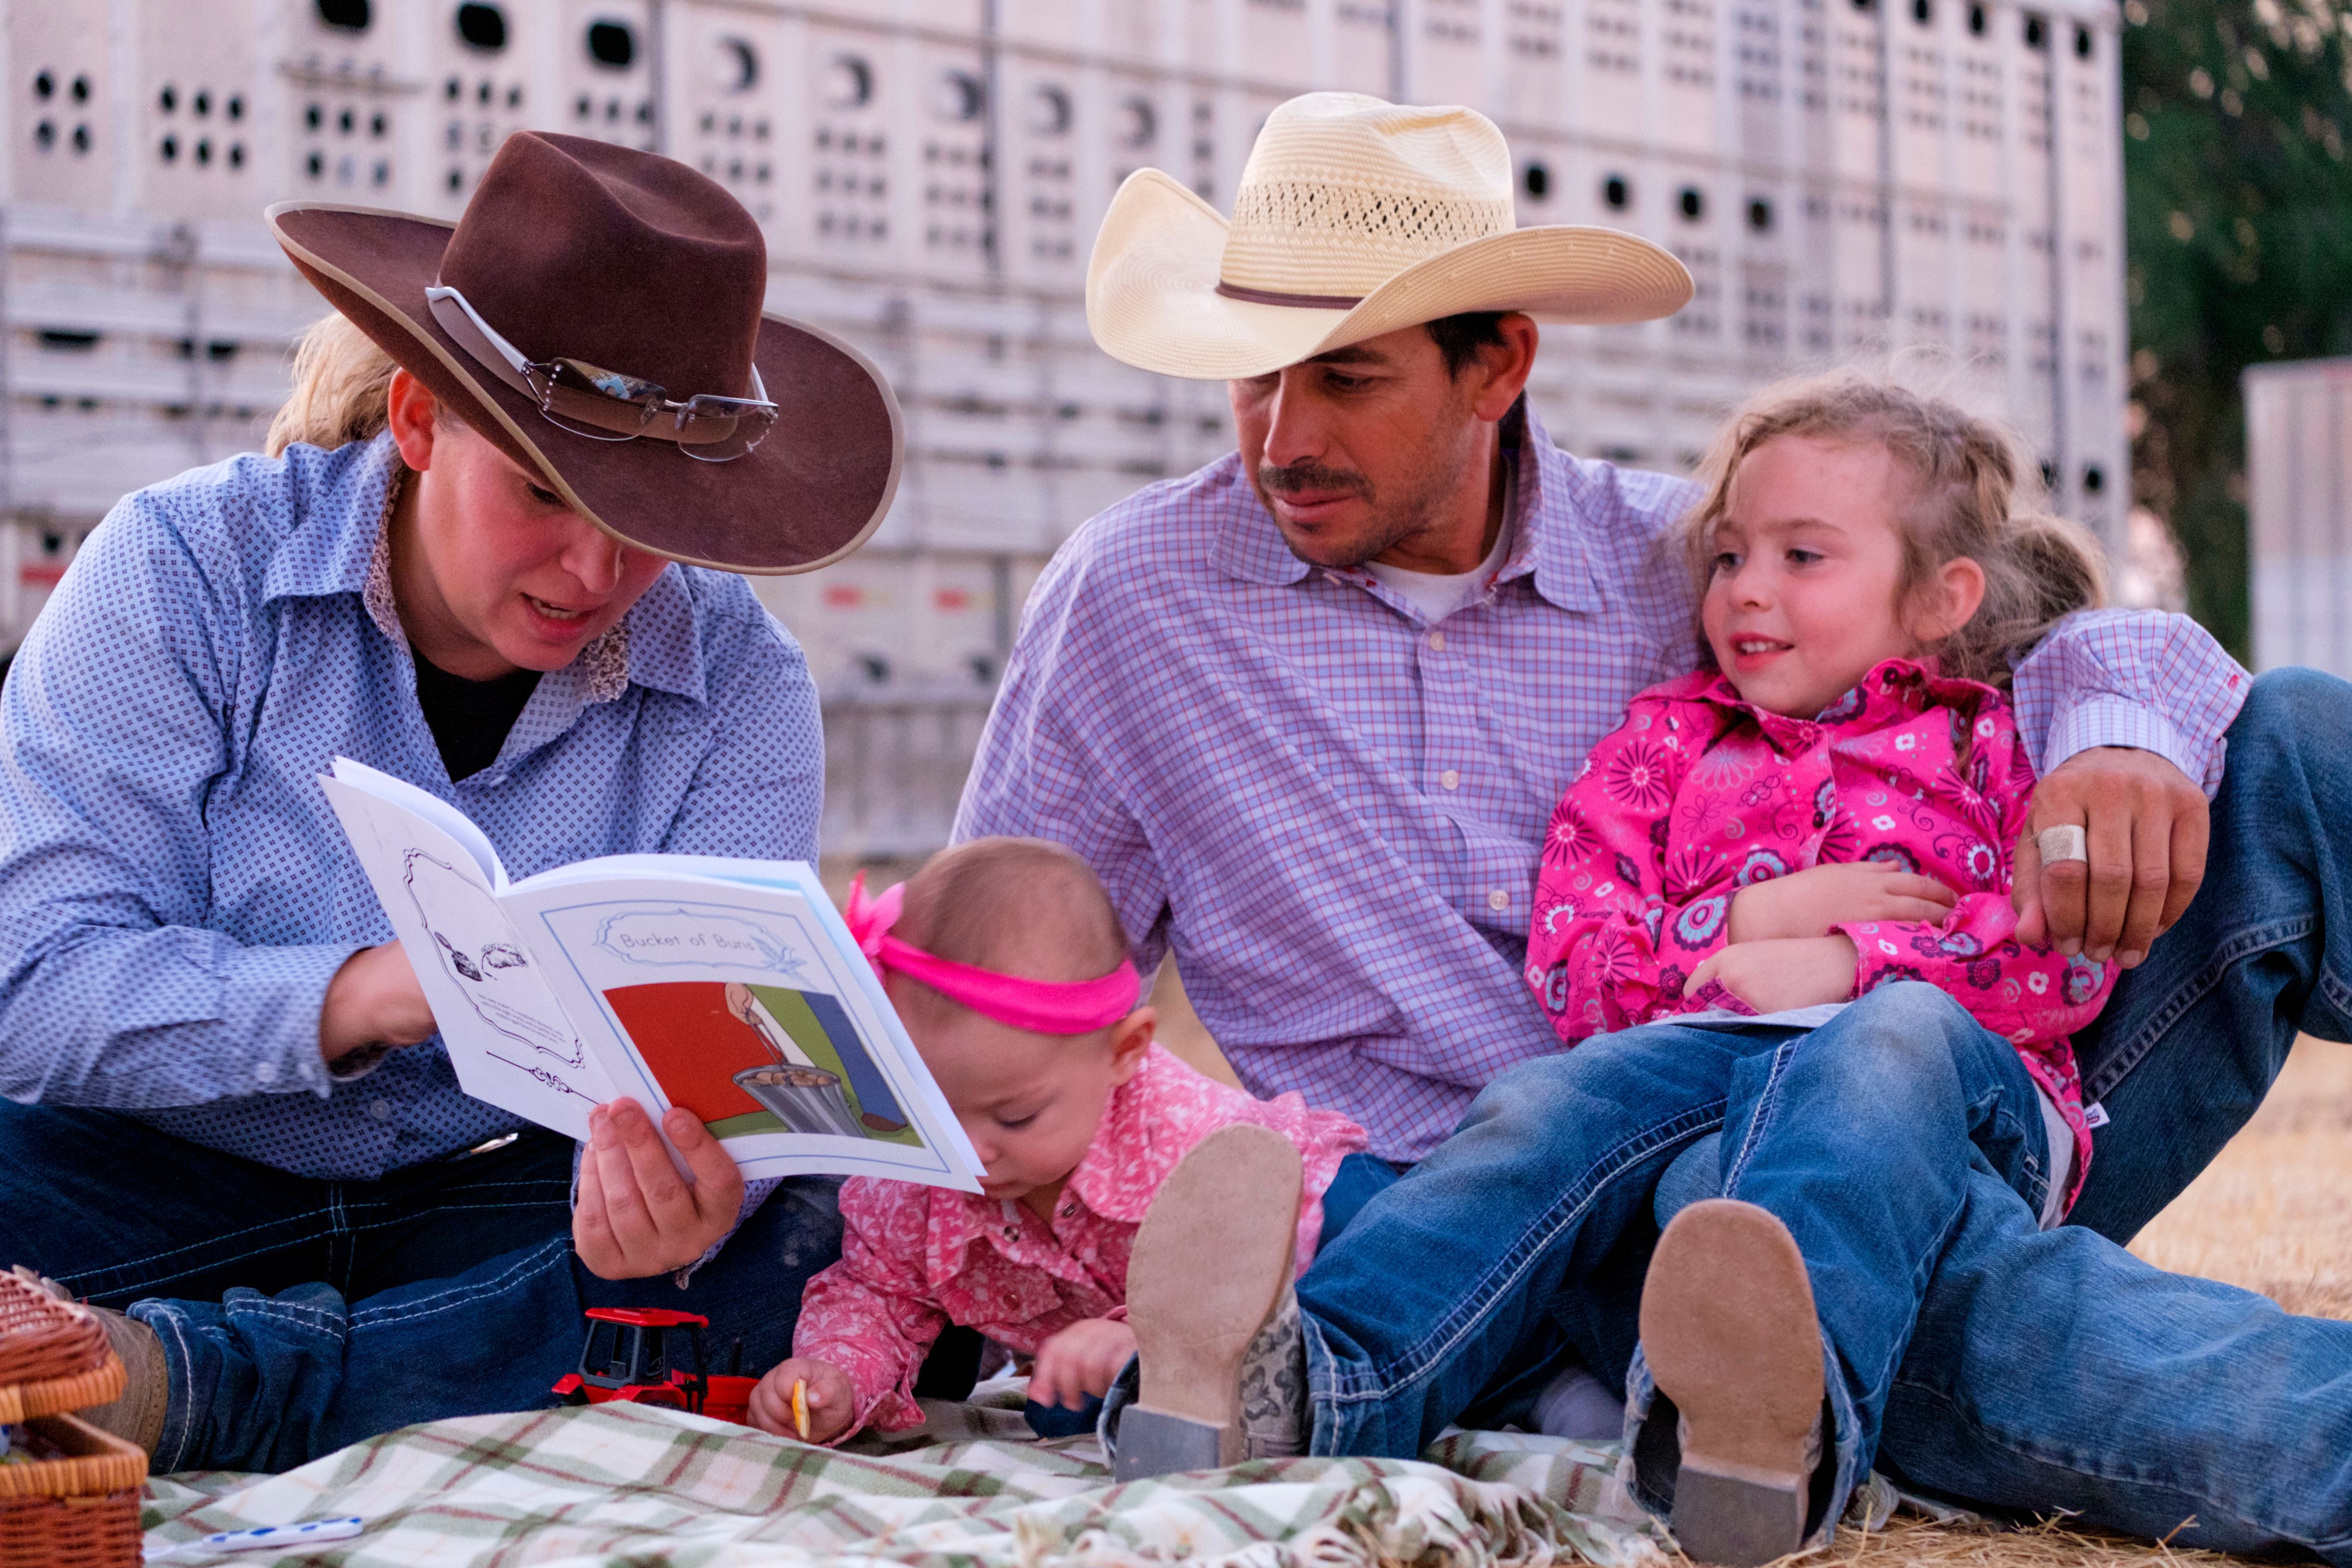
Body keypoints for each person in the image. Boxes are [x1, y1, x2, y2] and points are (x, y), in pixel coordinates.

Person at [970, 93, 2352, 1559]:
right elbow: (986, 966)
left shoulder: (1701, 559)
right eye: (1252, 377)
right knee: (2001, 1321)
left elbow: (2027, 621)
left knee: (2294, 744)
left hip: (1936, 1075)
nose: (1283, 436)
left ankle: (1794, 1351)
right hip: (1518, 1219)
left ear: (1498, 361)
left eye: (1348, 379)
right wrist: (867, 1270)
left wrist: (2119, 734)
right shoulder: (1134, 596)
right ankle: (1728, 1401)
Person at [0, 131, 902, 1472]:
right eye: (544, 491)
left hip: (510, 1205)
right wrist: (371, 991)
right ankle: (406, 1375)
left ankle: (185, 1381)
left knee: (804, 1238)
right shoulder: (179, 568)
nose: (594, 565)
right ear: (420, 422)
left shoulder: (745, 687)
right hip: (152, 1178)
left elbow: (739, 1095)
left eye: (648, 516)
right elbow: (33, 989)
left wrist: (690, 1197)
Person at [1517, 374, 2119, 1560]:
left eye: (1801, 557)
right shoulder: (1662, 749)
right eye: (1730, 554)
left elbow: (2063, 967)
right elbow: (1576, 971)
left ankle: (1760, 1423)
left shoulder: (1987, 744)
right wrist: (1748, 925)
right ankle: (1344, 1370)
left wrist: (1852, 960)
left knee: (1880, 1045)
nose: (1746, 590)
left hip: (1958, 1125)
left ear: (1942, 596)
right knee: (1533, 1117)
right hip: (1710, 1118)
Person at [747, 837, 1362, 1448]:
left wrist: (1153, 1340)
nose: (968, 1151)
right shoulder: (912, 1187)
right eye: (927, 1111)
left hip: (1308, 1232)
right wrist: (837, 1377)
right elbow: (878, 1296)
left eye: (1014, 1117)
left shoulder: (1187, 1138)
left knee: (1382, 1260)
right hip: (1113, 1340)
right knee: (1062, 1405)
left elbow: (1251, 1252)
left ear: (1123, 1053)